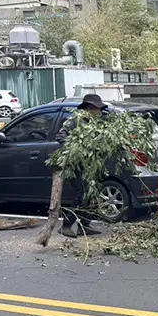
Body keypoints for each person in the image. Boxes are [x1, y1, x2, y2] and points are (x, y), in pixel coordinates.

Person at [56, 94, 107, 238]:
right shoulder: (75, 120)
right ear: (89, 108)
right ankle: (66, 225)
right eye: (97, 109)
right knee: (81, 195)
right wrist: (76, 148)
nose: (100, 112)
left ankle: (84, 225)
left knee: (91, 195)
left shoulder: (97, 123)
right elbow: (60, 137)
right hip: (77, 165)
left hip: (92, 165)